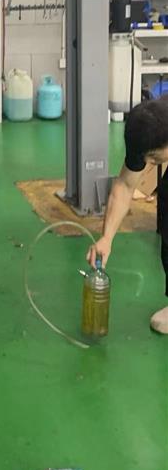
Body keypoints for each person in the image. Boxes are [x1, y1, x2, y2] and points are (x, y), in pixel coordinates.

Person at [87, 94, 168, 334]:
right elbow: (124, 186)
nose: (148, 163)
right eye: (146, 158)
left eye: (154, 158)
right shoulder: (146, 133)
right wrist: (107, 239)